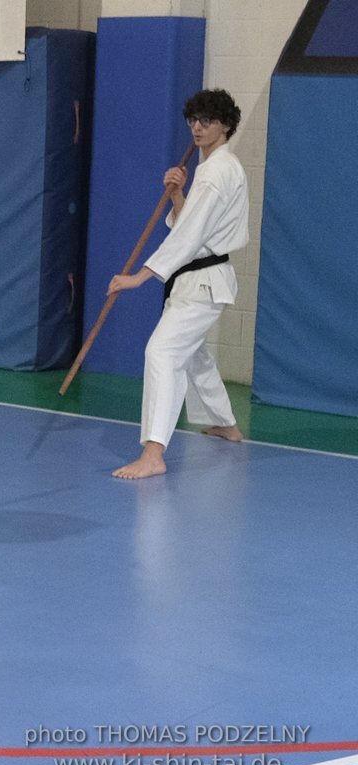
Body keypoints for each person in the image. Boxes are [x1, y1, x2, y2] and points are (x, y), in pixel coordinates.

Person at [107, 88, 248, 479]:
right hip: (198, 280)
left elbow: (187, 239)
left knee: (163, 353)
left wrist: (140, 276)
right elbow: (193, 226)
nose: (198, 127)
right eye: (193, 120)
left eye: (207, 121)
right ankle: (226, 424)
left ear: (226, 125)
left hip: (202, 282)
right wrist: (177, 196)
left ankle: (153, 453)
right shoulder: (212, 169)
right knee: (194, 355)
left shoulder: (218, 170)